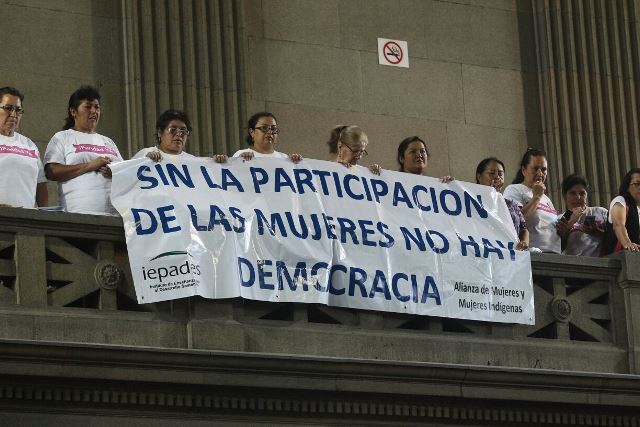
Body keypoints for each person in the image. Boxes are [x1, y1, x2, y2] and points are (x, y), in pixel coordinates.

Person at [44, 85, 123, 215]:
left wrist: (113, 172)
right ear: (73, 111)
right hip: (79, 216)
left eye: (97, 107)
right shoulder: (62, 137)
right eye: (87, 107)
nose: (94, 111)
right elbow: (51, 172)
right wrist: (90, 165)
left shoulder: (109, 142)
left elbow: (125, 174)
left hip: (115, 217)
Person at [503, 148, 561, 253]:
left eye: (544, 169)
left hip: (555, 254)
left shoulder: (547, 198)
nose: (540, 173)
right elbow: (515, 221)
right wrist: (536, 198)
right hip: (533, 254)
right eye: (535, 168)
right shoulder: (514, 189)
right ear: (524, 170)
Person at [0, 86, 48, 208]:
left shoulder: (30, 145)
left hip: (25, 221)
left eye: (18, 110)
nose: (13, 114)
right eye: (8, 108)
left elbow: (41, 185)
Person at [475, 157, 528, 250]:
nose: (496, 177)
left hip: (510, 255)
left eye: (500, 174)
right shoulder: (470, 201)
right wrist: (448, 185)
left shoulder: (511, 205)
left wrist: (524, 242)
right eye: (491, 173)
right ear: (479, 177)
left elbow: (523, 229)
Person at [555, 174, 607, 256]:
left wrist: (595, 231)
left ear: (587, 195)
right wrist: (567, 229)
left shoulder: (601, 212)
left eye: (582, 193)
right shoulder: (558, 219)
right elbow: (553, 250)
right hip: (573, 266)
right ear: (565, 197)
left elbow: (616, 237)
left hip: (601, 264)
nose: (578, 197)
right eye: (572, 193)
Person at [231, 112, 301, 162]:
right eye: (264, 128)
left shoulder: (284, 158)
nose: (270, 132)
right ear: (252, 132)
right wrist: (239, 162)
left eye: (273, 129)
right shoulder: (241, 155)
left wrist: (297, 164)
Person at [602, 168, 640, 253]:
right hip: (623, 259)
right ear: (627, 187)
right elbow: (618, 225)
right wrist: (628, 243)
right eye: (637, 184)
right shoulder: (620, 201)